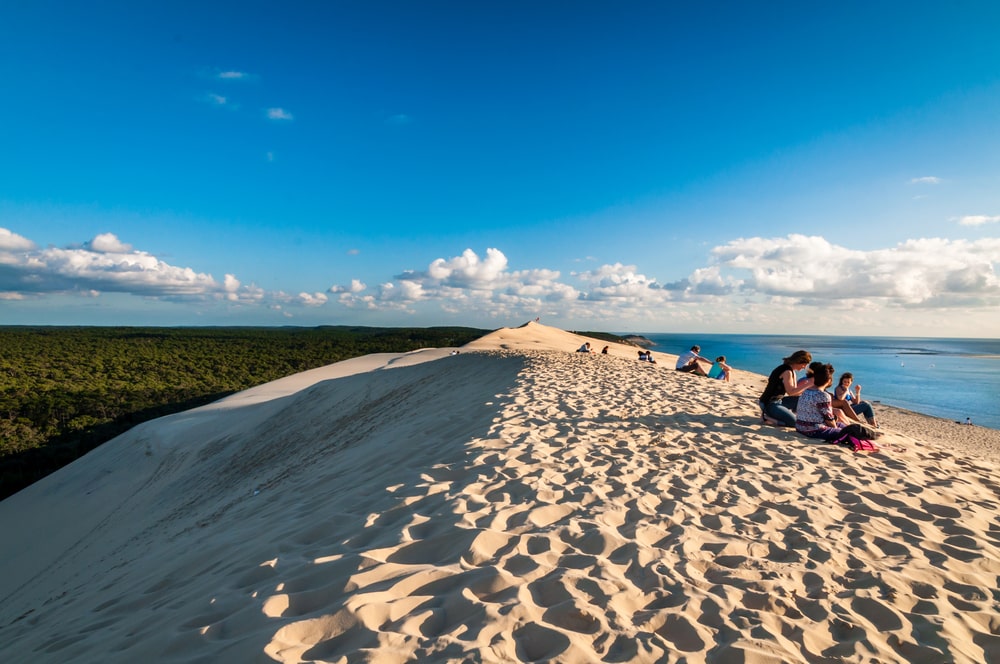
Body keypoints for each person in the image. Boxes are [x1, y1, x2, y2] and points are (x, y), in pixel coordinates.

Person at [796, 363, 880, 446]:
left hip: (800, 427)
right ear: (828, 380)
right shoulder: (823, 395)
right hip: (814, 430)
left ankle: (872, 435)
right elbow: (828, 419)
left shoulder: (805, 391)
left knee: (844, 426)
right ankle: (873, 439)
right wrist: (836, 429)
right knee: (850, 432)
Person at [759, 350, 813, 426]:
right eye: (804, 364)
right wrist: (809, 384)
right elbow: (790, 392)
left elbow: (795, 394)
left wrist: (807, 387)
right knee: (795, 423)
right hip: (769, 403)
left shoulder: (792, 371)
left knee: (802, 399)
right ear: (799, 361)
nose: (804, 367)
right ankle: (767, 418)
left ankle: (792, 415)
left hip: (779, 400)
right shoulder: (787, 371)